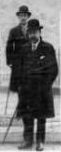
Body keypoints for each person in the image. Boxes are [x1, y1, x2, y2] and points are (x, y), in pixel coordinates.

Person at [17, 19, 58, 151]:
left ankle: (40, 141)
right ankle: (28, 140)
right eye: (30, 33)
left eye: (35, 32)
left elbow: (53, 70)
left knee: (41, 117)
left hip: (42, 90)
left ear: (39, 32)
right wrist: (20, 86)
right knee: (27, 116)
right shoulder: (24, 49)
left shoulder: (48, 48)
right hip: (27, 90)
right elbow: (20, 69)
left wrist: (45, 86)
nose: (32, 35)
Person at [6, 5, 31, 92]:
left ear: (28, 17)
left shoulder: (33, 30)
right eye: (21, 16)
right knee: (18, 87)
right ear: (18, 17)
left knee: (29, 86)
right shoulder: (13, 31)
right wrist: (9, 61)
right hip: (17, 63)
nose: (23, 18)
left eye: (25, 15)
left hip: (29, 62)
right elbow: (9, 47)